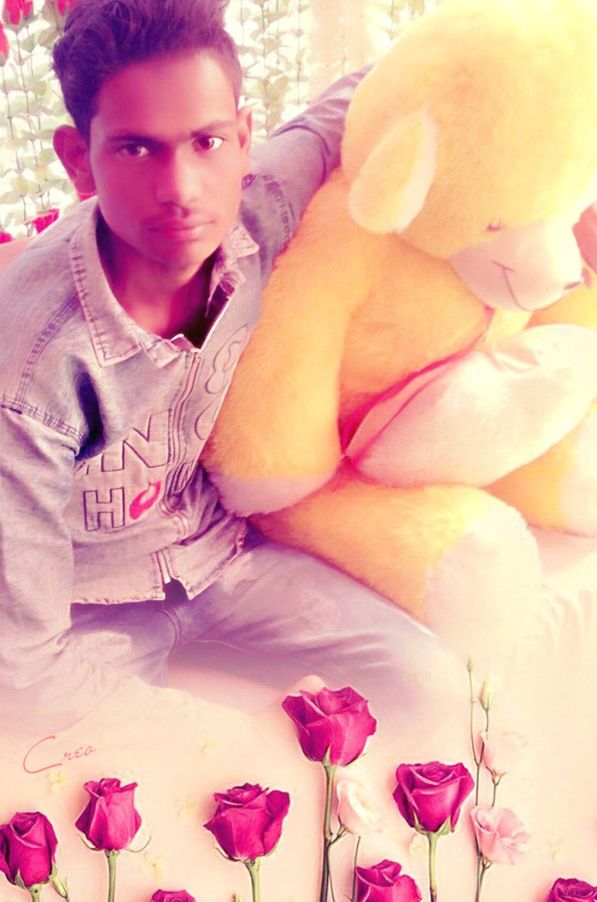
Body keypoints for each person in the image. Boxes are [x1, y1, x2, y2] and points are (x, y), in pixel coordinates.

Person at [0, 0, 464, 738]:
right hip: (90, 608)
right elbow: (21, 673)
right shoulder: (26, 368)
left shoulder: (258, 206)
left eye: (207, 142)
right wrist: (241, 735)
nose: (183, 189)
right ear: (78, 159)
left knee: (437, 689)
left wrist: (569, 194)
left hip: (222, 557)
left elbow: (375, 90)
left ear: (245, 139)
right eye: (137, 150)